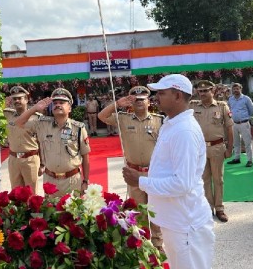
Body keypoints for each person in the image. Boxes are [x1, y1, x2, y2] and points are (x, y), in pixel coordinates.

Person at [122, 74, 214, 269]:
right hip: (176, 221)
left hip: (185, 223)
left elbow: (182, 184)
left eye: (162, 93)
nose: (156, 98)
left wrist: (141, 181)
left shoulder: (184, 131)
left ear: (178, 96)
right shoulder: (171, 124)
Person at [98, 85, 164, 249]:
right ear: (130, 103)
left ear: (149, 102)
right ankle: (142, 241)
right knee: (138, 210)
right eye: (135, 100)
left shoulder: (159, 120)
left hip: (154, 172)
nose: (139, 102)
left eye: (143, 99)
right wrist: (117, 103)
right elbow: (101, 116)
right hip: (134, 172)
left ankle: (157, 241)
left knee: (155, 209)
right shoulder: (123, 118)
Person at [15, 88, 90, 197]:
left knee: (73, 212)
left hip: (72, 181)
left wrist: (85, 181)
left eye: (62, 103)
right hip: (50, 181)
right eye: (55, 103)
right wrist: (34, 108)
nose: (58, 105)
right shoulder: (42, 125)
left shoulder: (78, 128)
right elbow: (18, 123)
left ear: (69, 108)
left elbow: (85, 156)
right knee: (51, 212)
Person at [189, 80, 233, 223]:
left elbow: (229, 128)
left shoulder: (222, 106)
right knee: (204, 180)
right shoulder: (193, 106)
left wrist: (230, 149)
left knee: (218, 179)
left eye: (205, 91)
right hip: (199, 149)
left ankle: (219, 208)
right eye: (200, 91)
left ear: (212, 91)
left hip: (217, 147)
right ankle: (208, 207)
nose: (202, 93)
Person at [4, 86, 42, 193]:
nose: (17, 101)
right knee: (16, 193)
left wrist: (43, 164)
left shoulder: (36, 118)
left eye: (20, 98)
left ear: (26, 99)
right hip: (14, 159)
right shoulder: (7, 115)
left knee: (31, 193)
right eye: (14, 99)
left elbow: (41, 143)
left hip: (30, 159)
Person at [227, 83, 253, 167]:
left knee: (247, 142)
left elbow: (252, 110)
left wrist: (246, 117)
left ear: (241, 89)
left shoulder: (246, 99)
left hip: (244, 123)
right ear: (232, 90)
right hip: (234, 123)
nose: (236, 90)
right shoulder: (231, 99)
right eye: (234, 89)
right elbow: (229, 109)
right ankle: (237, 158)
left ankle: (249, 160)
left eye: (237, 89)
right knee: (235, 142)